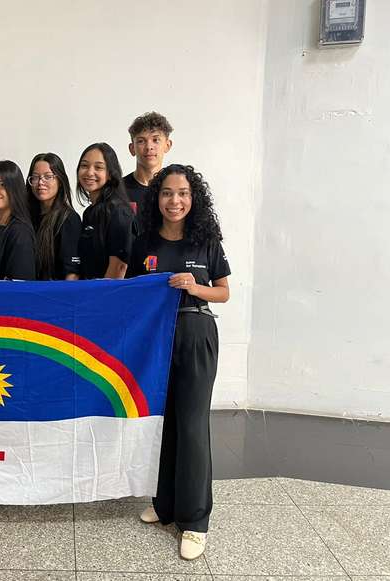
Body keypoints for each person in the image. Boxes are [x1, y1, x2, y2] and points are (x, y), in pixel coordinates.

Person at [128, 164, 230, 560]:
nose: (175, 200)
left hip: (196, 334)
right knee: (164, 421)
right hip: (157, 340)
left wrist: (195, 286)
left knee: (191, 425)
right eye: (167, 193)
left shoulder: (206, 241)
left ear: (193, 197)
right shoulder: (145, 243)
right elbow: (132, 294)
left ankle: (195, 520)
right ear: (157, 199)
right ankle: (166, 504)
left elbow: (223, 293)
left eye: (183, 193)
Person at [76, 143, 136, 280]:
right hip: (89, 292)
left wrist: (100, 298)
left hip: (107, 296)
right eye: (84, 166)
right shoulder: (89, 212)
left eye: (98, 167)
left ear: (110, 174)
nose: (90, 172)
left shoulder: (119, 211)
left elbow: (119, 267)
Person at [25, 153, 81, 280]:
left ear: (60, 181)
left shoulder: (68, 219)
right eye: (35, 177)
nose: (40, 182)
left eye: (48, 177)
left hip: (54, 295)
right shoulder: (27, 217)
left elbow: (72, 274)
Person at [124, 112, 173, 215]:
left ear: (167, 145)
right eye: (141, 141)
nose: (149, 147)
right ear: (132, 148)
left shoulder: (177, 190)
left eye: (156, 140)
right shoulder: (118, 191)